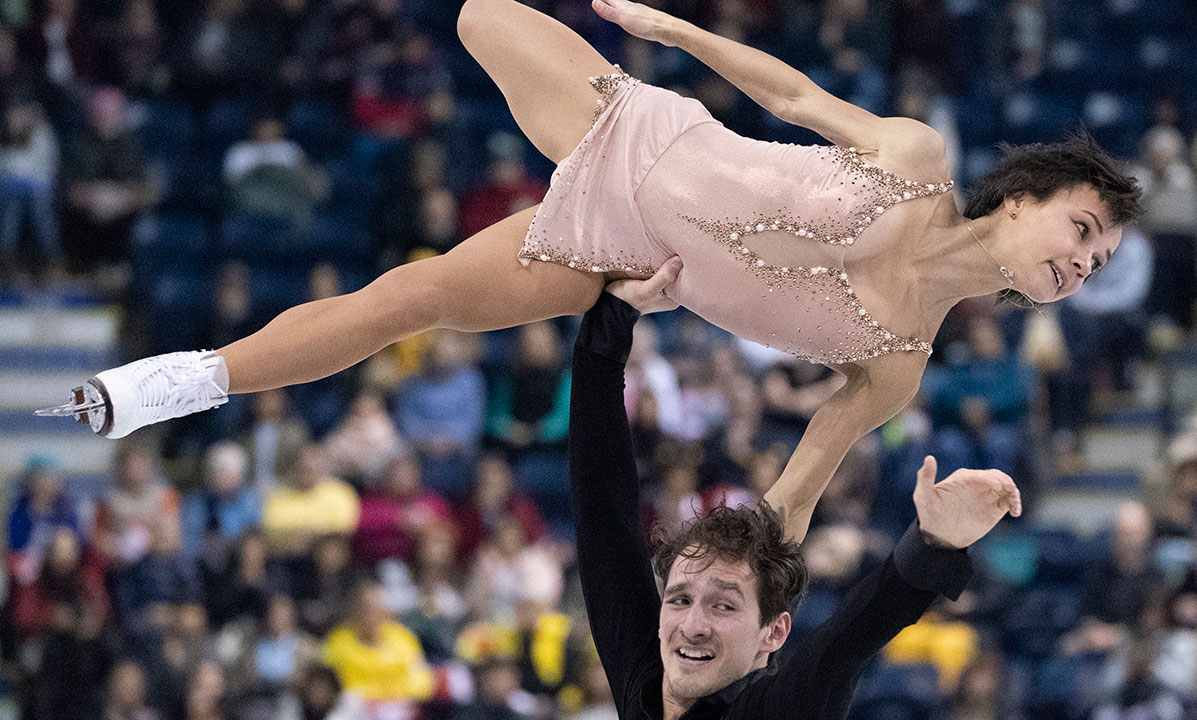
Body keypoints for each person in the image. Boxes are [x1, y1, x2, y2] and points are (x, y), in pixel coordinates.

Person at [45, 0, 1132, 530]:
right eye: (1081, 230)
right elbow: (794, 96)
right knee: (477, 10)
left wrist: (758, 593)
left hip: (617, 255)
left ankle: (176, 382)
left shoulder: (897, 365)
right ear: (1027, 195)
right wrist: (674, 30)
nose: (1083, 262)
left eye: (1101, 259)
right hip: (636, 127)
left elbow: (790, 497)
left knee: (409, 299)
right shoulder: (916, 158)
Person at [568, 270, 1020, 719]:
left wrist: (935, 541)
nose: (692, 626)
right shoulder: (644, 680)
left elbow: (847, 644)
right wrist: (612, 322)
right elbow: (604, 515)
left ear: (774, 631)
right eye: (680, 598)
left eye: (724, 604)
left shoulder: (778, 711)